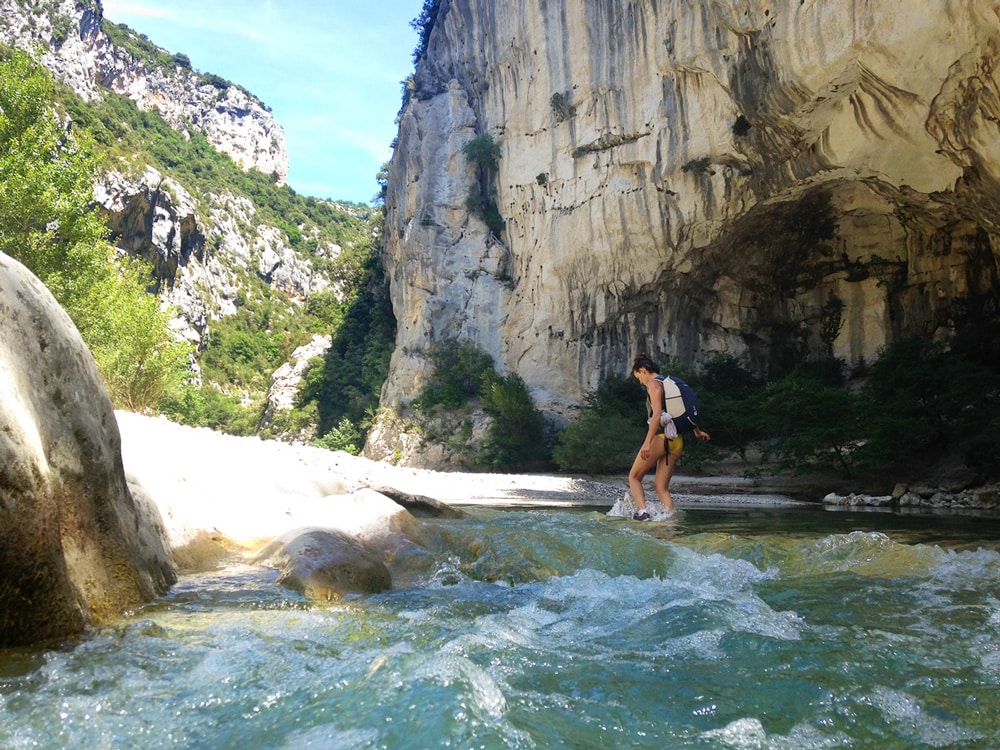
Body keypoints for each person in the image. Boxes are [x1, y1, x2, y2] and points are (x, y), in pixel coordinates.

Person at [628, 354, 711, 520]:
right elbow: (679, 408)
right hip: (677, 441)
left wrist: (647, 442)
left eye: (639, 378)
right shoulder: (669, 382)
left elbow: (658, 413)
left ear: (643, 371)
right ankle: (670, 523)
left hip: (661, 438)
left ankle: (643, 513)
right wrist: (697, 431)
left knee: (634, 477)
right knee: (661, 487)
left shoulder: (653, 384)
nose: (640, 381)